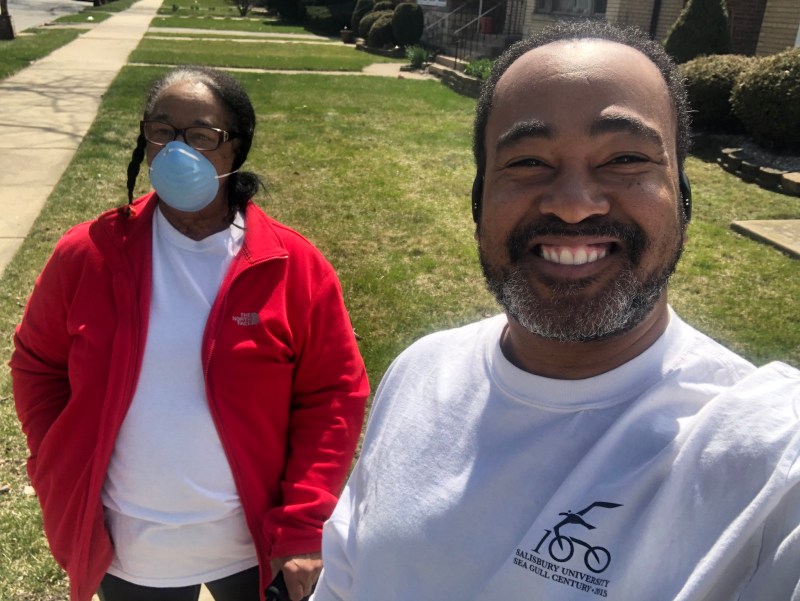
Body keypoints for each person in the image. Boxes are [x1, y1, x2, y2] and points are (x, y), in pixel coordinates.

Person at [313, 20, 800, 601]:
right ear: (478, 199)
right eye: (528, 162)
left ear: (683, 198)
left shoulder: (768, 456)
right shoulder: (420, 370)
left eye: (623, 158)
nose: (572, 205)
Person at [10, 65, 369, 601]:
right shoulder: (88, 254)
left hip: (251, 546)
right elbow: (37, 363)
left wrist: (302, 522)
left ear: (235, 149)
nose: (177, 150)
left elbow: (332, 395)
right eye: (162, 131)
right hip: (130, 548)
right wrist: (57, 458)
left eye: (201, 135)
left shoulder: (291, 266)